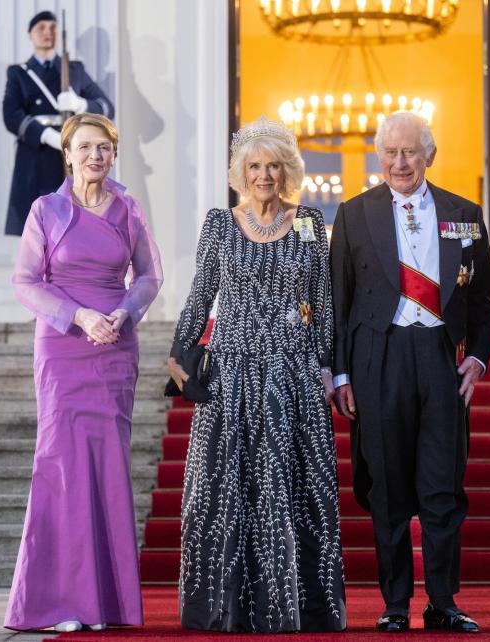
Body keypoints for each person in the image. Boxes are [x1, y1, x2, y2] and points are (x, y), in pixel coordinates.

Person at [168, 117, 346, 633]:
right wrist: (181, 358)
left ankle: (299, 607)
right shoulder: (220, 224)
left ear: (286, 170)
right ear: (240, 173)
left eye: (272, 165)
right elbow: (201, 297)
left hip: (292, 373)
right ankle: (224, 608)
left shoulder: (311, 222)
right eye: (254, 166)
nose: (264, 175)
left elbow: (323, 303)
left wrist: (326, 365)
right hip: (232, 372)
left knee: (292, 490)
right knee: (227, 491)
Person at [330, 111, 490, 633]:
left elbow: (483, 297)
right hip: (377, 359)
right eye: (390, 153)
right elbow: (338, 300)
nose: (400, 162)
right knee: (388, 489)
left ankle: (443, 601)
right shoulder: (354, 214)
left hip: (440, 358)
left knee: (443, 488)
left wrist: (479, 355)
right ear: (379, 156)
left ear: (430, 154)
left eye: (410, 152)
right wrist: (339, 374)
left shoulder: (463, 213)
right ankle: (396, 603)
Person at [5, 113, 163, 633]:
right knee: (61, 466)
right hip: (63, 345)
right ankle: (59, 604)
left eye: (104, 148)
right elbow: (26, 282)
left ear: (113, 155)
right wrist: (78, 315)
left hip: (115, 346)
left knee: (107, 466)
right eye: (86, 147)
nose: (96, 156)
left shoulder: (127, 208)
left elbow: (150, 275)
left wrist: (124, 312)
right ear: (67, 154)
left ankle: (106, 606)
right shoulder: (45, 210)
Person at [2, 10, 115, 236]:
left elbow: (105, 106)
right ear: (30, 35)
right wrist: (46, 135)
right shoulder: (19, 73)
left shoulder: (74, 69)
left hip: (70, 156)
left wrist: (80, 103)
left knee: (73, 227)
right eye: (41, 28)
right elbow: (11, 116)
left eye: (53, 28)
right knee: (37, 229)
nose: (48, 33)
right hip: (35, 154)